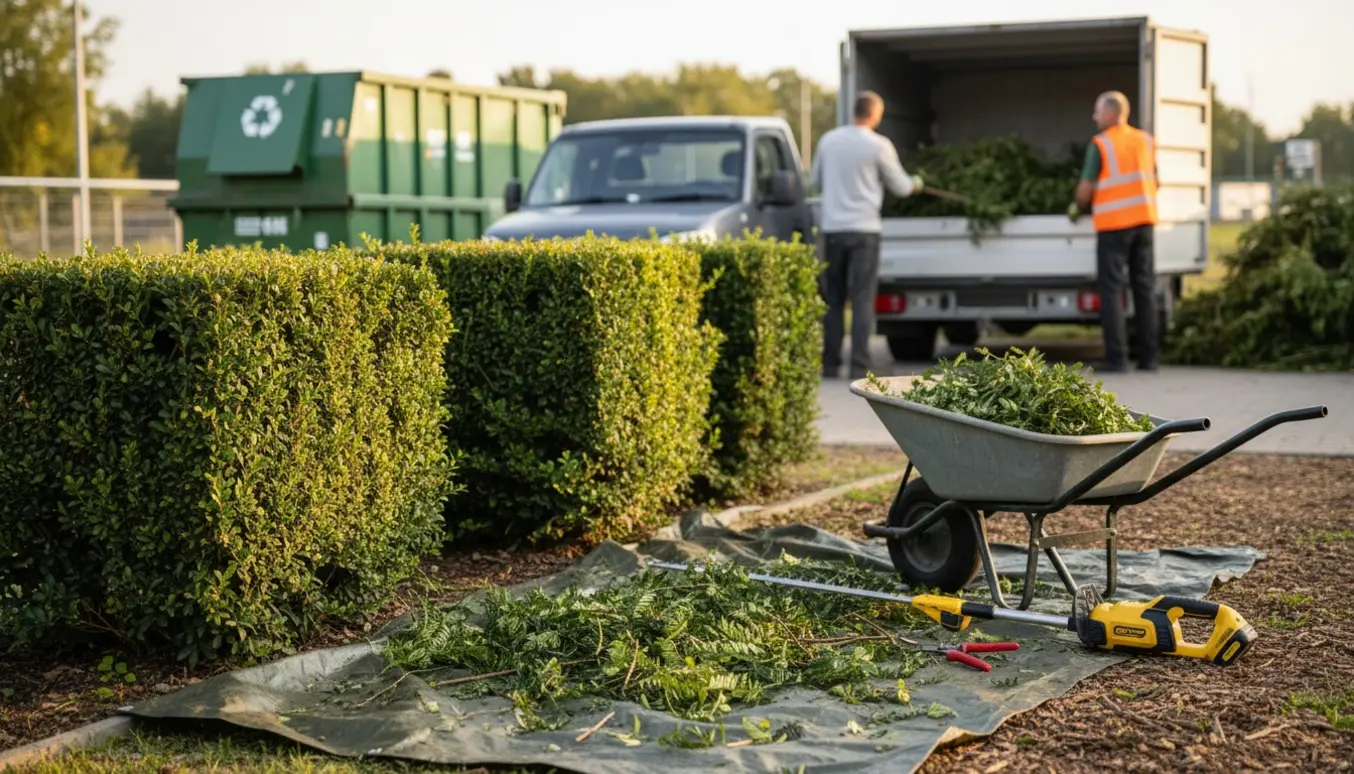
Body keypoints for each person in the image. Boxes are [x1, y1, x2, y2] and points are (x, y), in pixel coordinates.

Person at [810, 91, 924, 379]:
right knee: (862, 299)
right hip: (865, 231)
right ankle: (859, 364)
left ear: (854, 111)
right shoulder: (879, 145)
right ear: (874, 114)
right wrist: (915, 185)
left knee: (833, 300)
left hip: (833, 230)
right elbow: (900, 186)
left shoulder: (828, 141)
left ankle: (831, 363)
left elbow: (815, 182)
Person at [1068, 90, 1160, 373]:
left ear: (1110, 113)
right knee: (1144, 289)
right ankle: (1149, 359)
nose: (1094, 116)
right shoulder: (1145, 140)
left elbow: (1085, 189)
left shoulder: (1101, 144)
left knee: (1111, 290)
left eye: (1097, 111)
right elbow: (1157, 180)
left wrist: (1076, 205)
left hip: (1113, 226)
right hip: (1144, 222)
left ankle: (1117, 359)